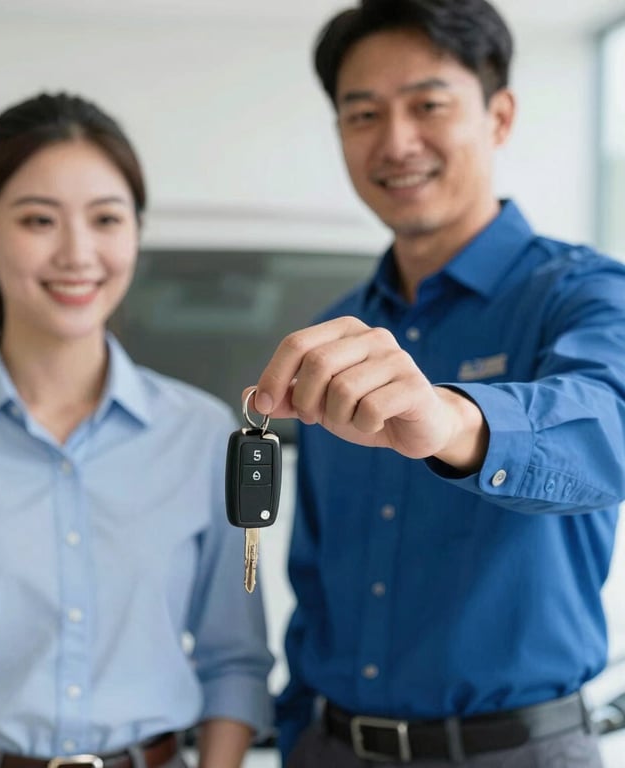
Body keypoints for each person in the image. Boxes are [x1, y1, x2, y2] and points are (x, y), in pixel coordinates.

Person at [247, 1, 625, 766]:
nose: (396, 142)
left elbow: (608, 427)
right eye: (363, 114)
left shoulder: (583, 293)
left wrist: (452, 421)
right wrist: (296, 736)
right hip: (328, 747)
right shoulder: (334, 332)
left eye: (428, 105)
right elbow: (314, 578)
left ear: (499, 115)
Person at [0, 92, 273, 768]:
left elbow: (235, 659)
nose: (78, 253)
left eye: (106, 218)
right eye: (38, 220)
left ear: (135, 232)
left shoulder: (202, 436)